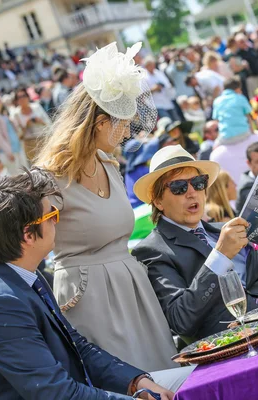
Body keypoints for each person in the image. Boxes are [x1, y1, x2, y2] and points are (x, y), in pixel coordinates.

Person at [0, 168, 175, 400]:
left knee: (194, 383)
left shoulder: (22, 276)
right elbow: (57, 394)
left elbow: (77, 347)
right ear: (28, 235)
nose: (57, 223)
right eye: (52, 216)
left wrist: (134, 381)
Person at [35, 42, 183, 373]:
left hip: (132, 286)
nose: (130, 130)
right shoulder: (49, 177)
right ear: (101, 122)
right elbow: (33, 242)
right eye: (124, 122)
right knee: (123, 381)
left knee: (163, 375)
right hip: (88, 297)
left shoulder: (109, 163)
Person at [132, 145, 258, 341]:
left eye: (198, 183)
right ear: (158, 201)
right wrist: (220, 256)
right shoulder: (152, 250)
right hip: (236, 342)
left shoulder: (223, 230)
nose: (192, 193)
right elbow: (180, 320)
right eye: (179, 187)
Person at [210, 77, 258, 184]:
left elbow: (217, 120)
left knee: (214, 151)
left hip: (225, 138)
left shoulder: (217, 101)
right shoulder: (240, 98)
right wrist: (253, 133)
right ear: (238, 89)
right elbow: (248, 116)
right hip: (243, 133)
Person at [0, 94, 26, 175]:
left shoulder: (3, 113)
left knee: (25, 173)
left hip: (17, 147)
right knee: (16, 177)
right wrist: (8, 152)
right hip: (8, 152)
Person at [11, 86, 51, 163]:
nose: (22, 99)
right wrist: (26, 125)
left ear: (28, 97)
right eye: (19, 97)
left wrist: (40, 121)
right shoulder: (15, 114)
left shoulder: (36, 107)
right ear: (16, 101)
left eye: (24, 96)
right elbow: (18, 135)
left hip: (43, 139)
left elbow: (48, 123)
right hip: (29, 143)